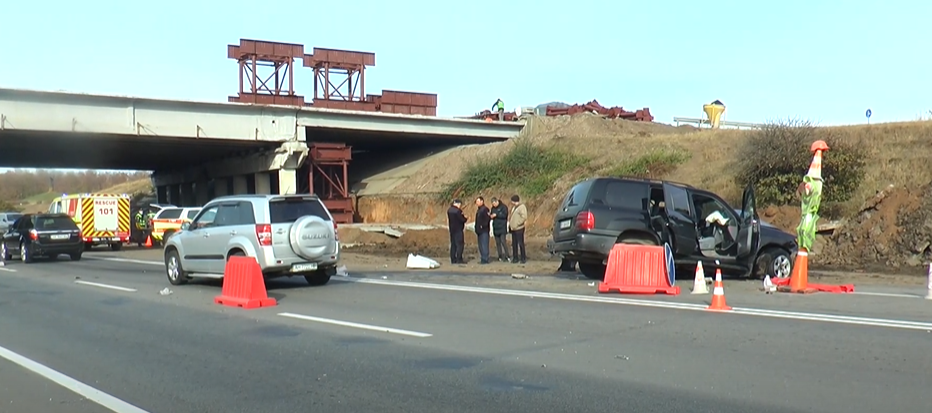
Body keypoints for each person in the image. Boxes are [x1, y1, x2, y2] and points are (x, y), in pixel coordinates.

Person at [489, 197, 510, 262]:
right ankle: (500, 256)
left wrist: (497, 215)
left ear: (497, 201)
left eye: (494, 203)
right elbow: (492, 215)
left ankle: (507, 256)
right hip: (496, 227)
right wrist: (491, 216)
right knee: (497, 243)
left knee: (503, 242)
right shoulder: (493, 208)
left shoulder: (503, 207)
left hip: (502, 227)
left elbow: (505, 215)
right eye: (492, 204)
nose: (494, 205)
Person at [508, 194, 528, 264]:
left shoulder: (522, 207)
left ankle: (523, 258)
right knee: (514, 244)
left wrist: (517, 224)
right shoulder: (514, 208)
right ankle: (515, 258)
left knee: (521, 243)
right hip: (513, 229)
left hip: (519, 228)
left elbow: (524, 217)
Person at [447, 199, 467, 264]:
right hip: (458, 229)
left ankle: (453, 259)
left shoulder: (449, 210)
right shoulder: (458, 211)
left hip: (452, 230)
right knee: (460, 245)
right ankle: (459, 259)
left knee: (453, 245)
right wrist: (465, 218)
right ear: (458, 204)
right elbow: (462, 219)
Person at [474, 197, 491, 264]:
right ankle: (483, 258)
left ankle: (485, 259)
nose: (477, 203)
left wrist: (482, 226)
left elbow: (487, 219)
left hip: (484, 230)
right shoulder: (479, 210)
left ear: (482, 201)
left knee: (484, 244)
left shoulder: (485, 209)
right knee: (480, 245)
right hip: (479, 231)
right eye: (476, 202)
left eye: (478, 201)